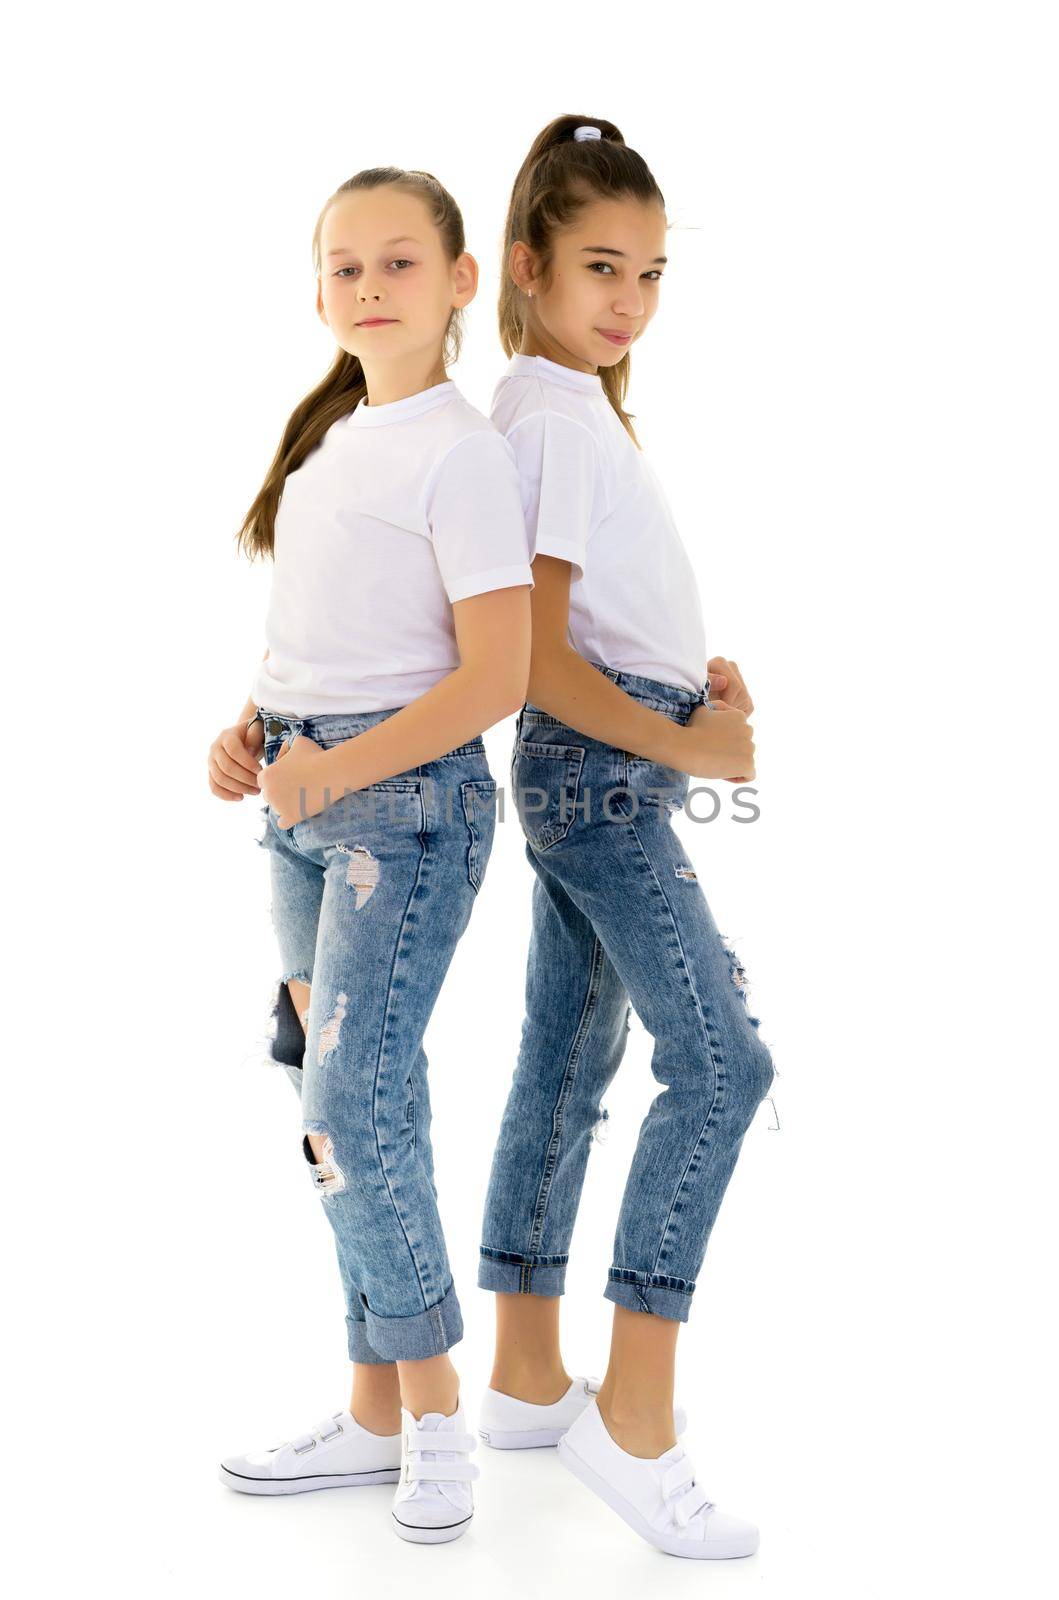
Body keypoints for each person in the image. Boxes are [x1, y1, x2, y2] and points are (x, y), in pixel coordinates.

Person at [207, 166, 533, 1544]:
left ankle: (436, 1406)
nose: (368, 289)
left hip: (403, 812)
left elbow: (497, 675)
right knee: (339, 1103)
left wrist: (340, 761)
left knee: (354, 1091)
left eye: (400, 264)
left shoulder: (462, 451)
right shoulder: (340, 440)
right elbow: (330, 634)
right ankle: (374, 1408)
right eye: (344, 268)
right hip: (301, 795)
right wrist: (252, 727)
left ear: (462, 284)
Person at [475, 117, 776, 1560]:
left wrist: (687, 680)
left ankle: (530, 1377)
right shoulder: (544, 413)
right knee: (725, 1063)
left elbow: (593, 626)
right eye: (601, 266)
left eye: (650, 274)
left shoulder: (569, 410)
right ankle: (633, 1422)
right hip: (601, 772)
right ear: (525, 268)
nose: (629, 301)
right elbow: (533, 660)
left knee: (565, 1060)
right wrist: (693, 739)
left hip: (609, 765)